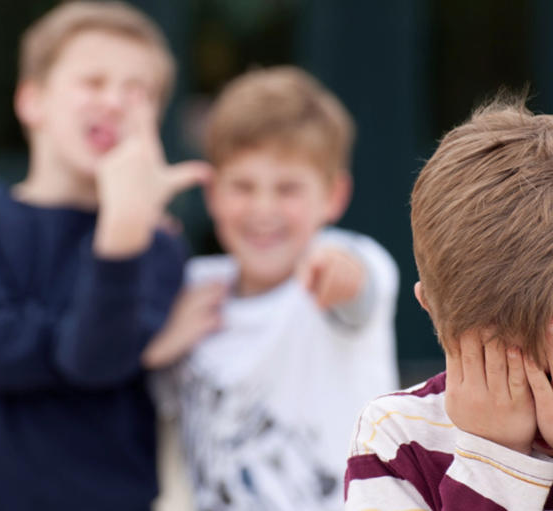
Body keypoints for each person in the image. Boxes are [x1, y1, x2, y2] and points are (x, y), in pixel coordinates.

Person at [0, 2, 209, 510]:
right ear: (32, 101)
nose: (115, 102)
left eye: (138, 92)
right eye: (93, 82)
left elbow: (93, 361)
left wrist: (122, 228)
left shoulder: (156, 246)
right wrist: (132, 349)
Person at [344, 97, 553, 510]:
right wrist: (494, 457)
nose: (550, 397)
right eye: (507, 360)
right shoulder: (396, 440)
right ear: (431, 308)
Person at [145, 66, 400, 510]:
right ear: (212, 194)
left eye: (288, 189)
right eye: (243, 186)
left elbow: (361, 287)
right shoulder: (192, 289)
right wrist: (158, 344)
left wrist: (339, 273)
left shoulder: (343, 257)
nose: (264, 209)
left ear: (334, 196)